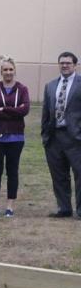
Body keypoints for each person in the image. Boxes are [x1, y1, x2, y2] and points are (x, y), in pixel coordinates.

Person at [0, 56, 30, 217]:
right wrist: (14, 111)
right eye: (5, 70)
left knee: (13, 171)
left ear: (15, 71)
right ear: (1, 72)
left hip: (16, 137)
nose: (8, 72)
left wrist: (4, 109)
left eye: (11, 69)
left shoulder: (22, 89)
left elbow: (25, 110)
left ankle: (10, 205)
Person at [40, 51, 81, 219]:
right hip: (54, 138)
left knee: (80, 175)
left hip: (76, 138)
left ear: (75, 65)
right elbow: (45, 112)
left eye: (68, 63)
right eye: (62, 63)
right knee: (59, 175)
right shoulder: (50, 86)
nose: (64, 65)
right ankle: (64, 208)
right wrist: (45, 135)